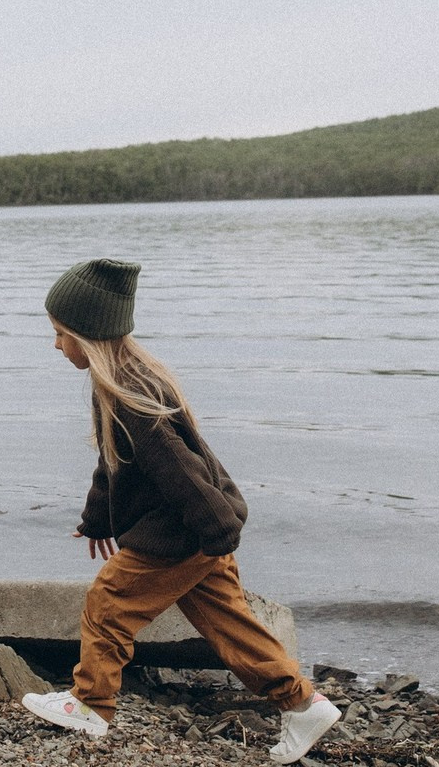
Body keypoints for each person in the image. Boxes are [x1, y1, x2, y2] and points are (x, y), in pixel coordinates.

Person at [20, 258, 341, 765]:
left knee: (107, 605)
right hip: (195, 532)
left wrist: (215, 529)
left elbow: (179, 469)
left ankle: (90, 704)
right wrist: (98, 521)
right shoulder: (124, 381)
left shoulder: (131, 396)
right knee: (229, 623)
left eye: (60, 334)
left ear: (87, 336)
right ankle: (301, 703)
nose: (55, 344)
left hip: (180, 533)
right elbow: (113, 464)